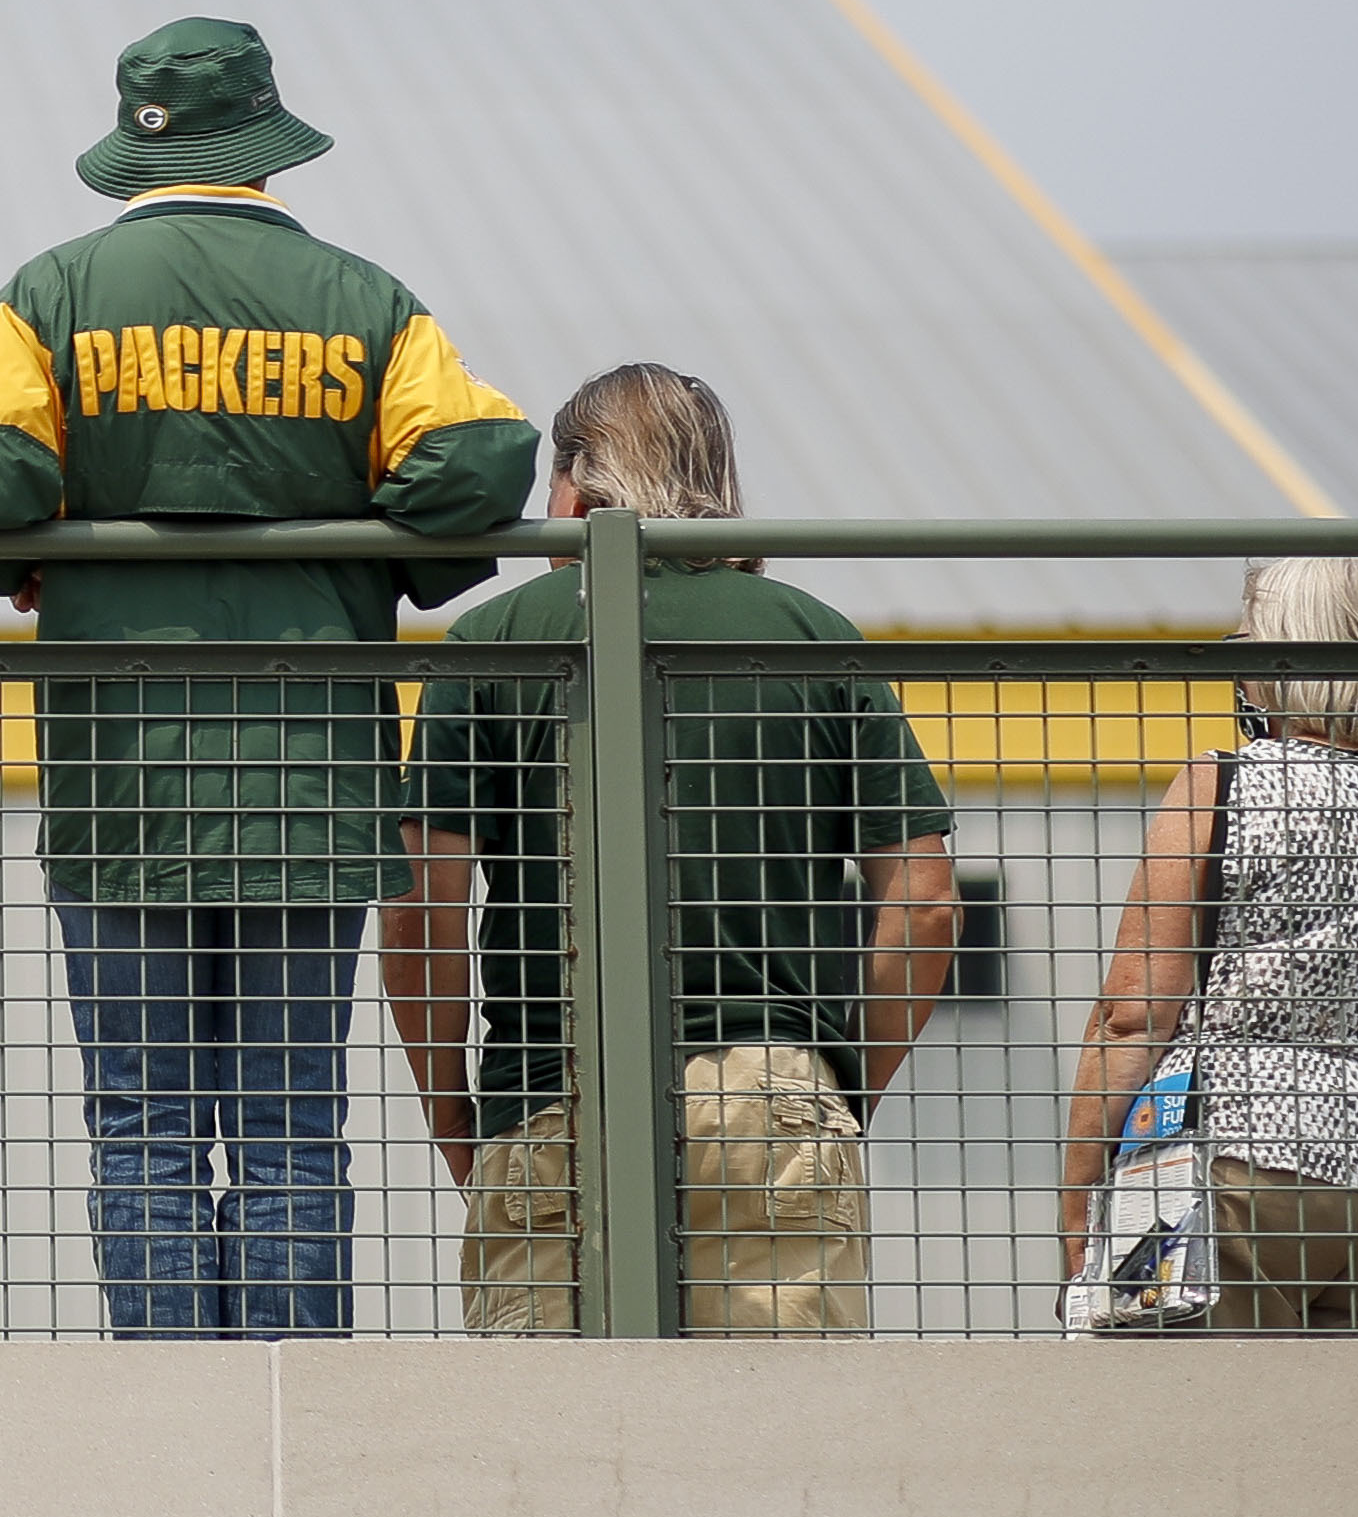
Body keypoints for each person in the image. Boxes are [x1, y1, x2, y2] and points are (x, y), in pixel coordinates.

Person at [0, 16, 534, 1340]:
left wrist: (34, 547)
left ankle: (169, 1433)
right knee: (296, 1123)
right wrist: (382, 549)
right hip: (313, 784)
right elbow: (477, 466)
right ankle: (300, 1416)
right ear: (264, 147)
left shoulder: (51, 295)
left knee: (145, 1122)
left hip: (122, 786)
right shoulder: (370, 305)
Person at [384, 365, 960, 1333]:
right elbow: (928, 900)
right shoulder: (817, 641)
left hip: (548, 1086)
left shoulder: (488, 642)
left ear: (581, 484)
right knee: (780, 1443)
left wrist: (457, 1116)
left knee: (543, 1454)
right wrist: (838, 1081)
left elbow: (423, 911)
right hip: (771, 1090)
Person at [1061, 557, 1358, 1332]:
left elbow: (1131, 1017)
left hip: (1240, 1161)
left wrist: (1080, 1217)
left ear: (1284, 658)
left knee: (1211, 1430)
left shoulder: (1223, 784)